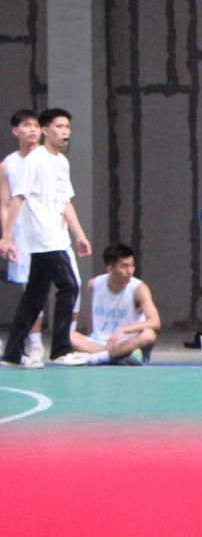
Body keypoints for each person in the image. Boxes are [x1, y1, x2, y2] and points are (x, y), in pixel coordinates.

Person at [0, 108, 92, 368]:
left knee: (35, 294)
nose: (65, 132)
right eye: (59, 126)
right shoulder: (35, 160)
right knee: (69, 285)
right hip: (42, 236)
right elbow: (17, 197)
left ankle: (13, 354)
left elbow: (65, 202)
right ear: (45, 130)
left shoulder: (61, 162)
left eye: (67, 127)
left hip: (57, 235)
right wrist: (7, 237)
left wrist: (80, 235)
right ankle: (61, 350)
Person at [1, 109, 48, 363]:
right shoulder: (8, 164)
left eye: (36, 125)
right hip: (22, 232)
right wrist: (7, 236)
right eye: (27, 125)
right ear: (15, 130)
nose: (32, 129)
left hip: (48, 230)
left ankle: (62, 342)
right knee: (29, 287)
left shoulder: (48, 158)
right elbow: (5, 204)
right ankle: (33, 342)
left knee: (69, 283)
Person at [71, 243, 161, 365]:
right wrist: (90, 337)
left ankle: (97, 358)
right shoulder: (94, 284)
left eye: (132, 265)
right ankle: (118, 356)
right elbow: (92, 315)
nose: (130, 271)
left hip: (128, 342)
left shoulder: (139, 288)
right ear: (110, 269)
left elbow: (155, 322)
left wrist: (123, 330)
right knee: (67, 336)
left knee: (149, 335)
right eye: (124, 266)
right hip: (100, 343)